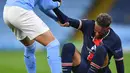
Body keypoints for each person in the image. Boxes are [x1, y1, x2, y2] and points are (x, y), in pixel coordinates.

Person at [53, 8, 124, 73]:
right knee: (68, 47)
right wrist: (54, 8)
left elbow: (119, 63)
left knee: (100, 49)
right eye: (95, 30)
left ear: (107, 28)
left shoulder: (114, 40)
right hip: (83, 67)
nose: (96, 34)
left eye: (99, 32)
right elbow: (67, 20)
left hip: (100, 71)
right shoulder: (89, 25)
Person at [3, 0, 62, 73]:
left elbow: (42, 5)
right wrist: (58, 3)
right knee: (53, 44)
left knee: (30, 46)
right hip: (21, 11)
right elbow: (46, 5)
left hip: (7, 11)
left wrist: (57, 19)